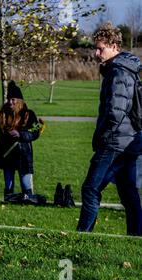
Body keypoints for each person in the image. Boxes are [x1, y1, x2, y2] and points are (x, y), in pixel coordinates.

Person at [77, 23, 142, 235]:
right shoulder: (126, 68)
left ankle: (83, 235)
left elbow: (116, 111)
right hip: (129, 140)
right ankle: (136, 235)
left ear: (114, 46)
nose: (96, 53)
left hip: (115, 141)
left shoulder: (118, 71)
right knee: (128, 193)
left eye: (100, 48)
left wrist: (102, 137)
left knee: (91, 188)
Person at [0, 81, 41, 202]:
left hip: (23, 155)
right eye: (8, 99)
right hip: (7, 155)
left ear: (19, 100)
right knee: (8, 186)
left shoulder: (29, 114)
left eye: (13, 99)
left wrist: (21, 134)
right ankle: (9, 202)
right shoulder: (3, 113)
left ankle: (28, 201)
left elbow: (35, 132)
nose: (10, 102)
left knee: (26, 186)